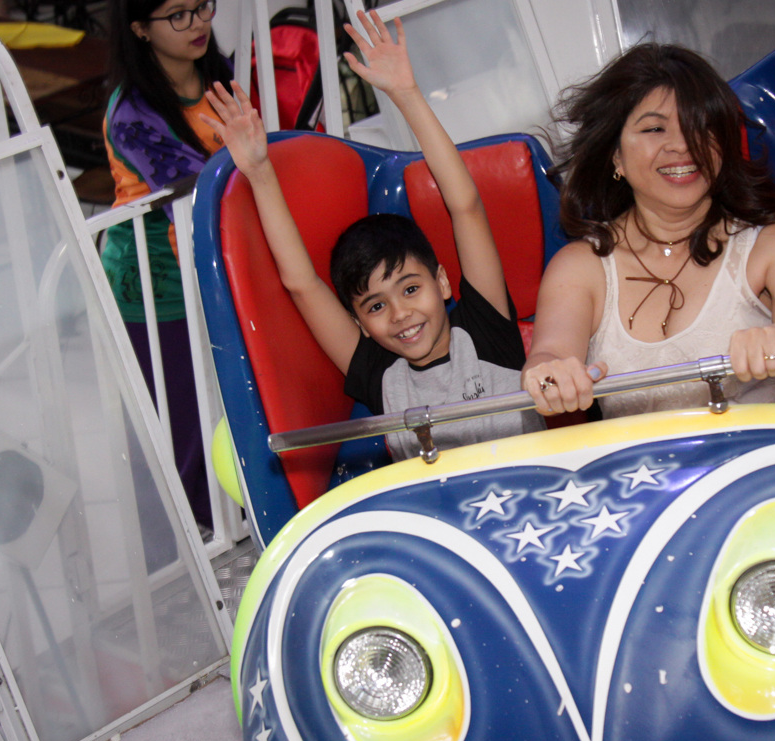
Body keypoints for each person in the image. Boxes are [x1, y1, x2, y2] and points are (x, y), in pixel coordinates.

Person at [203, 9, 543, 462]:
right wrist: (260, 172)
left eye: (411, 288)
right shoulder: (381, 373)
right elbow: (301, 283)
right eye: (377, 306)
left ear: (442, 283)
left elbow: (465, 206)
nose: (401, 314)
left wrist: (406, 94)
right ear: (360, 323)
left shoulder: (485, 331)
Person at [522, 43, 775, 419]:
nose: (682, 145)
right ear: (615, 155)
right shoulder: (579, 266)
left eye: (701, 126)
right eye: (654, 128)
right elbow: (550, 353)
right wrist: (549, 375)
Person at [102, 0, 231, 529]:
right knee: (183, 426)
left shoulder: (215, 77)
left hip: (213, 265)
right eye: (177, 15)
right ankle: (200, 548)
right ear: (140, 29)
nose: (198, 23)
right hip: (153, 287)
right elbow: (205, 181)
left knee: (223, 407)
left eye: (201, 6)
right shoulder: (131, 111)